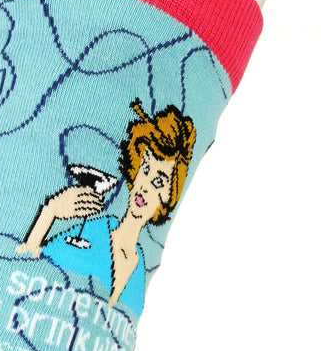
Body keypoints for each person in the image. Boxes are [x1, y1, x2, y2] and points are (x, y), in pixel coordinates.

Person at [16, 98, 196, 317]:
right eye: (145, 168)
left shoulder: (140, 264)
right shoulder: (95, 231)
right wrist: (50, 211)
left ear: (169, 195)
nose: (145, 186)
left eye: (158, 181)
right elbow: (25, 263)